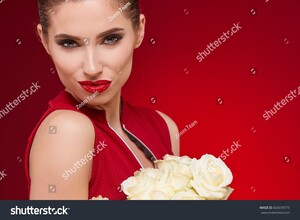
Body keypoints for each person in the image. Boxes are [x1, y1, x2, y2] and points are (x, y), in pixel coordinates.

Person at [25, 0, 179, 200]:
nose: (91, 67)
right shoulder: (66, 130)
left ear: (139, 30)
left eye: (110, 39)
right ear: (44, 40)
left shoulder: (163, 127)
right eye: (69, 43)